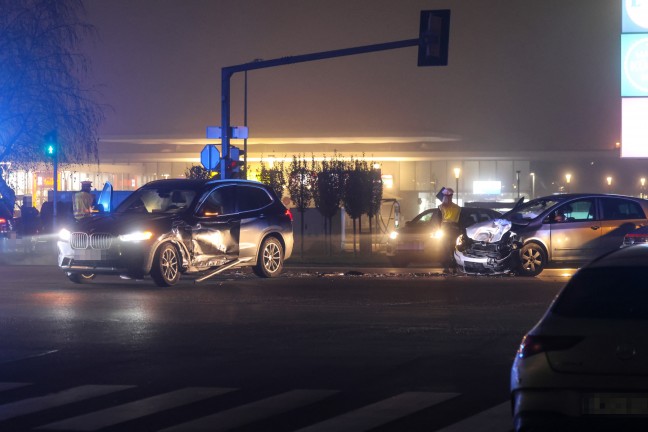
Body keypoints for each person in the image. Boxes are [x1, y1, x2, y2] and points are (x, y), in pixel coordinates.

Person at [438, 187, 461, 274]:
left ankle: (447, 267)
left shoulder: (441, 207)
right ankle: (453, 267)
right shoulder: (457, 208)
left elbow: (438, 220)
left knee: (446, 249)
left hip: (446, 229)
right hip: (453, 229)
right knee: (453, 248)